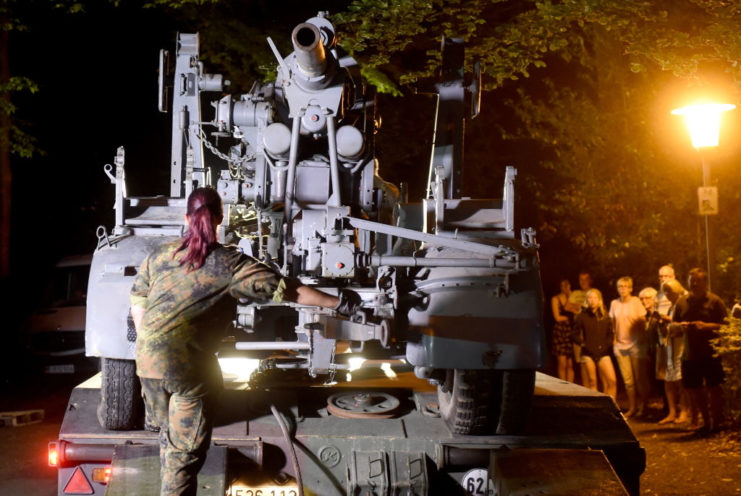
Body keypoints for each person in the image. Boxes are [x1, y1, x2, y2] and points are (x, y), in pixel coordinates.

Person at [129, 187, 360, 495]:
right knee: (183, 456)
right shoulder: (229, 264)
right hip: (186, 369)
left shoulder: (160, 255)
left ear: (186, 218)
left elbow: (138, 299)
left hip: (147, 365)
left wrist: (152, 344)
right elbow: (287, 290)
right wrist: (339, 303)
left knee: (171, 440)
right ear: (220, 219)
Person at [673, 268, 728, 433]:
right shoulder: (682, 302)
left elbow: (726, 326)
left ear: (705, 282)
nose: (694, 284)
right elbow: (674, 323)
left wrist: (706, 326)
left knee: (714, 387)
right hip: (690, 352)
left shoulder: (715, 301)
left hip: (711, 352)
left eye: (698, 280)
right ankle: (705, 422)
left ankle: (717, 422)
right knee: (694, 388)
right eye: (691, 281)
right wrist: (679, 327)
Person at [610, 276, 648, 417]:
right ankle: (633, 407)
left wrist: (642, 339)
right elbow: (613, 323)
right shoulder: (614, 303)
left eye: (626, 286)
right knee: (628, 380)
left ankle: (644, 407)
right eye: (620, 286)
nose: (623, 289)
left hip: (636, 344)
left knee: (639, 379)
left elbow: (642, 321)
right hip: (620, 346)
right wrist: (614, 340)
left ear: (631, 288)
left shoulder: (636, 302)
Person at [572, 289, 617, 399]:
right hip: (588, 352)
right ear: (587, 300)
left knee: (612, 380)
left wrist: (607, 344)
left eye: (594, 297)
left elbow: (610, 334)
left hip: (603, 352)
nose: (592, 300)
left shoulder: (605, 316)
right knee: (592, 382)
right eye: (589, 298)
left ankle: (612, 408)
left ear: (599, 299)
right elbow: (574, 334)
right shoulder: (582, 315)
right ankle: (596, 409)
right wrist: (583, 344)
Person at [658, 279, 691, 425]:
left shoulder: (684, 302)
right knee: (669, 378)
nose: (667, 294)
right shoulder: (672, 305)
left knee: (680, 378)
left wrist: (670, 322)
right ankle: (672, 411)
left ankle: (685, 410)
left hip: (681, 345)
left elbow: (686, 324)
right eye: (665, 291)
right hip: (670, 345)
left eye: (669, 290)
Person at [551, 278, 575, 382]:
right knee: (562, 363)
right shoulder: (555, 299)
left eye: (567, 285)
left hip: (570, 331)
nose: (565, 287)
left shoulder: (573, 297)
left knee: (570, 364)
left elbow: (577, 311)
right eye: (563, 285)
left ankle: (571, 387)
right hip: (560, 331)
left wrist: (571, 297)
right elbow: (557, 317)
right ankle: (563, 387)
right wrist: (569, 317)